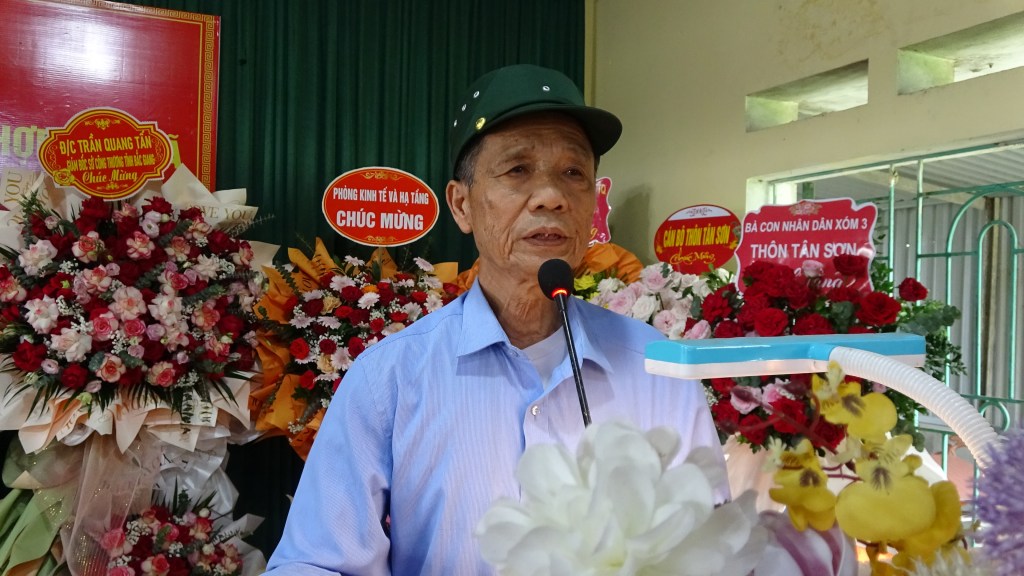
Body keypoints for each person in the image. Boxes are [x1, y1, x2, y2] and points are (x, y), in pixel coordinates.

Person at [263, 63, 725, 575]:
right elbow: (317, 563)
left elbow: (709, 544)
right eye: (517, 170)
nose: (551, 196)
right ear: (461, 205)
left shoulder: (658, 368)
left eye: (573, 173)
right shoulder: (389, 379)